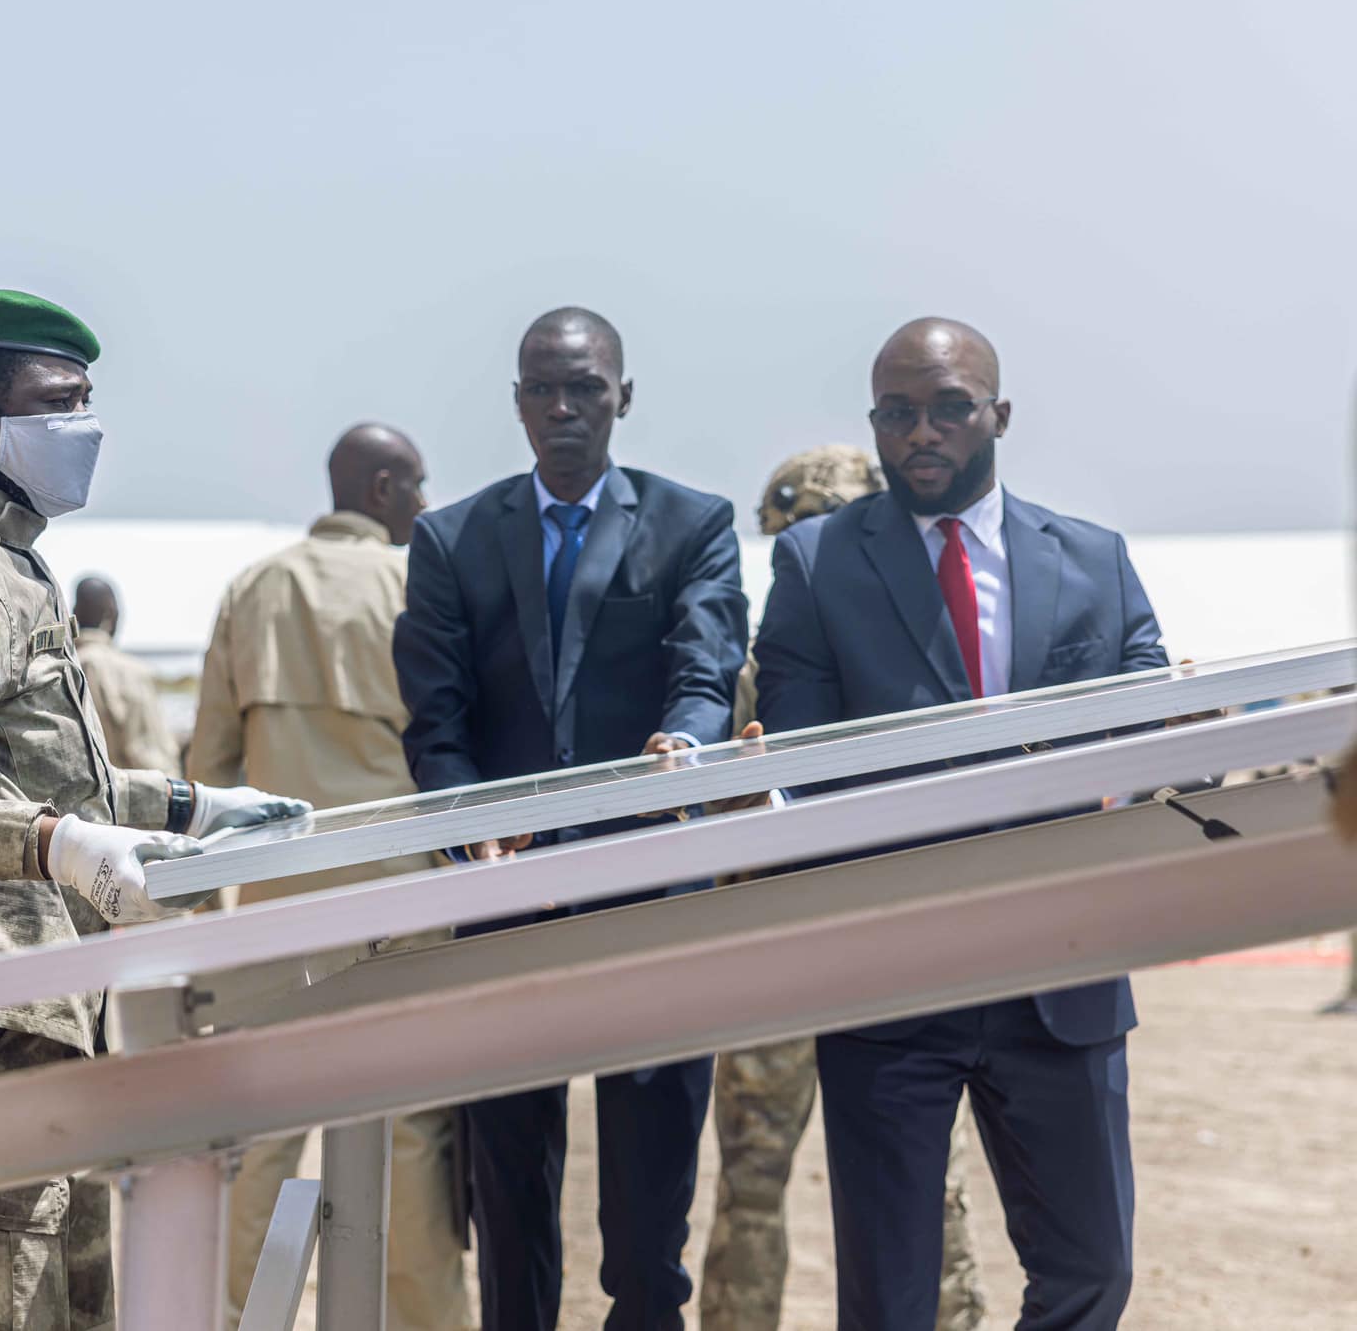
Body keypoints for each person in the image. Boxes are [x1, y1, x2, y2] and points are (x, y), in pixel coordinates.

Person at [0, 288, 308, 1330]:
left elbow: (33, 781)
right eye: (60, 403)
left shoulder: (4, 564)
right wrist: (56, 845)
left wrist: (186, 805)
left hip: (28, 1020)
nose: (85, 428)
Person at [754, 317, 1166, 1331]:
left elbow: (1147, 714)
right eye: (896, 415)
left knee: (1090, 1273)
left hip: (1058, 975)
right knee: (888, 1304)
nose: (920, 435)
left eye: (946, 409)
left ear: (998, 415)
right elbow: (803, 769)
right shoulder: (815, 565)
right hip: (893, 980)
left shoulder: (1092, 560)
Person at [394, 307, 747, 1330]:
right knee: (508, 1210)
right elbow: (437, 720)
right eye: (541, 388)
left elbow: (703, 671)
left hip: (649, 903)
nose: (562, 408)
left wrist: (677, 754)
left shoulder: (694, 525)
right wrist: (472, 829)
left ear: (621, 397)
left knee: (645, 1242)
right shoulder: (450, 539)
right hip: (504, 901)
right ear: (514, 403)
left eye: (584, 387)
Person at [186, 422, 471, 1331]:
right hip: (403, 903)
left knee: (264, 1136)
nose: (424, 506)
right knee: (411, 1135)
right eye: (418, 487)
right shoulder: (418, 583)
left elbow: (212, 761)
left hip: (281, 906)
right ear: (383, 487)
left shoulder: (254, 588)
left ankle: (234, 1320)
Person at [699, 445, 986, 1331]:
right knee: (924, 1186)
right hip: (884, 947)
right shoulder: (919, 652)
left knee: (755, 1188)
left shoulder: (760, 663)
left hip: (781, 952)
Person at [71, 575, 180, 772]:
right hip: (127, 796)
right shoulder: (132, 672)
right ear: (111, 614)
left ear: (74, 614)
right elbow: (151, 754)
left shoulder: (59, 667)